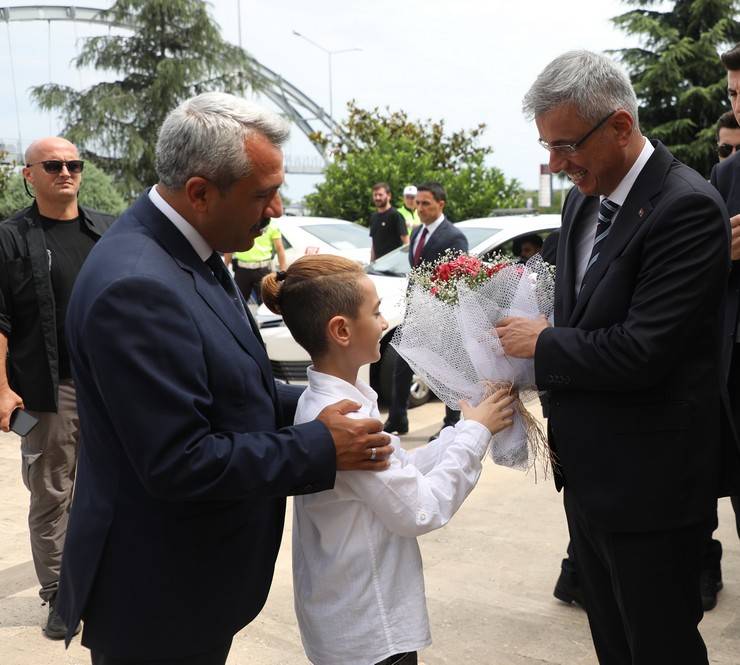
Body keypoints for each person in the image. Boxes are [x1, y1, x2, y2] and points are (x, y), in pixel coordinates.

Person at [55, 92, 393, 665]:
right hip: (159, 595)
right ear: (201, 192)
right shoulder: (137, 286)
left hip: (191, 583)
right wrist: (319, 445)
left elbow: (231, 388)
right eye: (263, 194)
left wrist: (318, 402)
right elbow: (177, 460)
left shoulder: (191, 252)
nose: (278, 210)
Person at [497, 51, 734, 664]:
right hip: (589, 482)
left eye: (567, 145)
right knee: (612, 644)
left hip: (653, 492)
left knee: (660, 648)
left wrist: (542, 343)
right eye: (547, 146)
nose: (556, 164)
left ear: (621, 126)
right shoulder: (583, 198)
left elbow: (642, 349)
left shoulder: (686, 207)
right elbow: (575, 304)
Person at [261, 254, 515, 665]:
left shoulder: (334, 403)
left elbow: (402, 469)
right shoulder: (347, 422)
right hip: (370, 633)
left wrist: (461, 430)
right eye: (376, 311)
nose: (384, 322)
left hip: (351, 620)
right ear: (341, 330)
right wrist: (476, 433)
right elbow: (420, 510)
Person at [0, 136, 113, 639]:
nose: (65, 172)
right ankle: (59, 598)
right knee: (51, 494)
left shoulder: (106, 233)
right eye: (52, 165)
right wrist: (3, 390)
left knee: (110, 487)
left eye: (73, 164)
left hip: (110, 386)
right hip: (50, 388)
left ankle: (103, 582)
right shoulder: (10, 238)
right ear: (29, 175)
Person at [384, 182, 468, 437]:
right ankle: (397, 419)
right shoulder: (418, 231)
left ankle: (452, 421)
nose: (419, 208)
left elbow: (457, 277)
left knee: (445, 368)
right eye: (417, 203)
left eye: (425, 204)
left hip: (442, 312)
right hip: (416, 310)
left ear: (440, 204)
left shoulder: (454, 236)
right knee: (402, 362)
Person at [224, 217, 286, 303]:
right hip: (242, 271)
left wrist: (283, 271)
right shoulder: (241, 221)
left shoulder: (272, 224)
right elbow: (230, 245)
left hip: (263, 270)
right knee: (237, 304)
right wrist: (224, 268)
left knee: (266, 304)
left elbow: (279, 248)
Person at [369, 182, 408, 261]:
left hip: (394, 266)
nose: (377, 198)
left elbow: (406, 243)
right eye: (375, 195)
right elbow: (374, 243)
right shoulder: (374, 217)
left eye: (380, 195)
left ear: (389, 196)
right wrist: (371, 263)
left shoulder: (395, 215)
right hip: (378, 266)